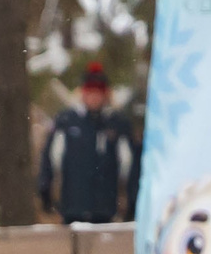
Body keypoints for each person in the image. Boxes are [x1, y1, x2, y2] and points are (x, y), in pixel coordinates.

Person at [35, 64, 138, 225]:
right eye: (90, 92)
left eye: (98, 93)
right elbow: (50, 159)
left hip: (107, 211)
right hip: (72, 210)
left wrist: (132, 201)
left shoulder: (117, 124)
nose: (94, 97)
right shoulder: (66, 121)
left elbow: (130, 165)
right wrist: (45, 192)